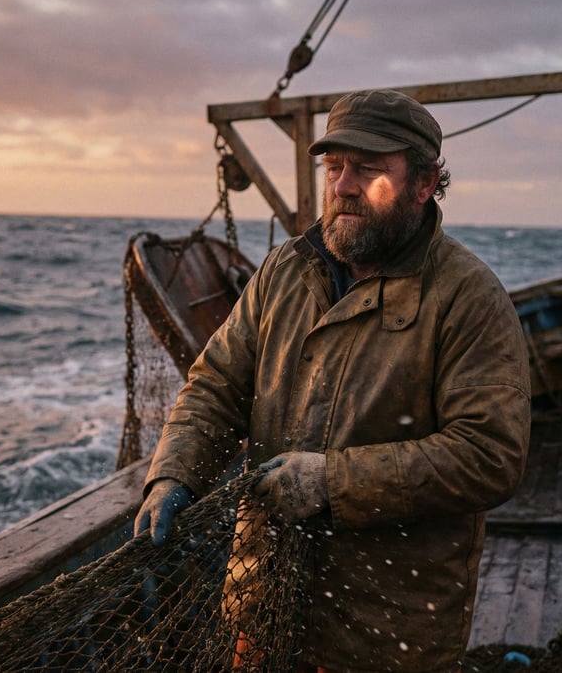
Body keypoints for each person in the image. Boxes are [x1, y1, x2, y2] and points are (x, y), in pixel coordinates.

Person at [134, 88, 531, 672]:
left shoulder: (469, 298)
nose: (344, 184)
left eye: (369, 169)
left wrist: (332, 483)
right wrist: (173, 473)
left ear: (424, 184)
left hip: (386, 633)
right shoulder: (283, 271)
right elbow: (216, 383)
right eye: (334, 167)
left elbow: (490, 453)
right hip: (262, 604)